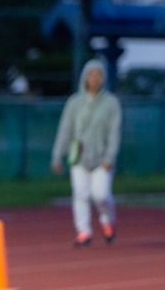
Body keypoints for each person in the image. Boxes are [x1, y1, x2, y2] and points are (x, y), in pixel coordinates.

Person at [51, 59, 122, 246]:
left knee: (101, 194)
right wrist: (58, 154)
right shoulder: (75, 102)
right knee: (80, 195)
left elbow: (114, 132)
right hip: (79, 157)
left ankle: (107, 221)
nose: (95, 79)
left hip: (101, 159)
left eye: (98, 74)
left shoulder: (111, 103)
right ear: (85, 77)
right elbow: (65, 129)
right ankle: (84, 231)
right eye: (91, 74)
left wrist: (109, 157)